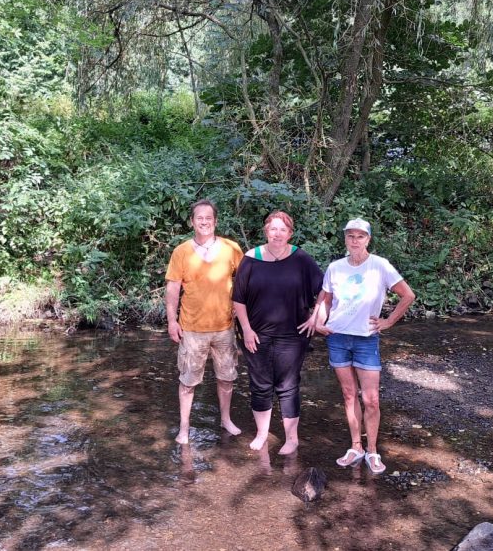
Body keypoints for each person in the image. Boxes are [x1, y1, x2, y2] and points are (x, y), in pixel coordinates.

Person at [312, 218, 415, 474]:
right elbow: (325, 299)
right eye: (350, 236)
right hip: (337, 337)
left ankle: (372, 451)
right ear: (345, 239)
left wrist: (388, 321)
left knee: (371, 399)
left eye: (360, 236)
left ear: (368, 239)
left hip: (366, 339)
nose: (354, 241)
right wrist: (319, 320)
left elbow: (408, 295)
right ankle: (356, 446)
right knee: (349, 395)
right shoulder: (335, 267)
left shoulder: (379, 266)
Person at [232, 211, 323, 455]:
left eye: (283, 229)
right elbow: (238, 300)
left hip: (293, 335)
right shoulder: (251, 258)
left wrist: (316, 317)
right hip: (256, 334)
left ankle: (291, 438)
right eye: (273, 229)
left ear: (290, 233)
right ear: (266, 231)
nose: (278, 234)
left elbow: (325, 289)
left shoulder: (301, 259)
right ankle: (262, 433)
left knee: (288, 385)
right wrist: (247, 330)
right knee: (260, 385)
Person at [165, 199, 244, 445]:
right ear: (192, 221)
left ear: (216, 221)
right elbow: (172, 289)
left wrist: (241, 311)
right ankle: (184, 428)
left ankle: (225, 419)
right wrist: (171, 321)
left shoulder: (231, 248)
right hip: (191, 328)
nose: (204, 222)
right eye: (199, 218)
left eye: (209, 218)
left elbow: (245, 282)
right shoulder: (181, 252)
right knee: (188, 381)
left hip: (224, 328)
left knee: (227, 377)